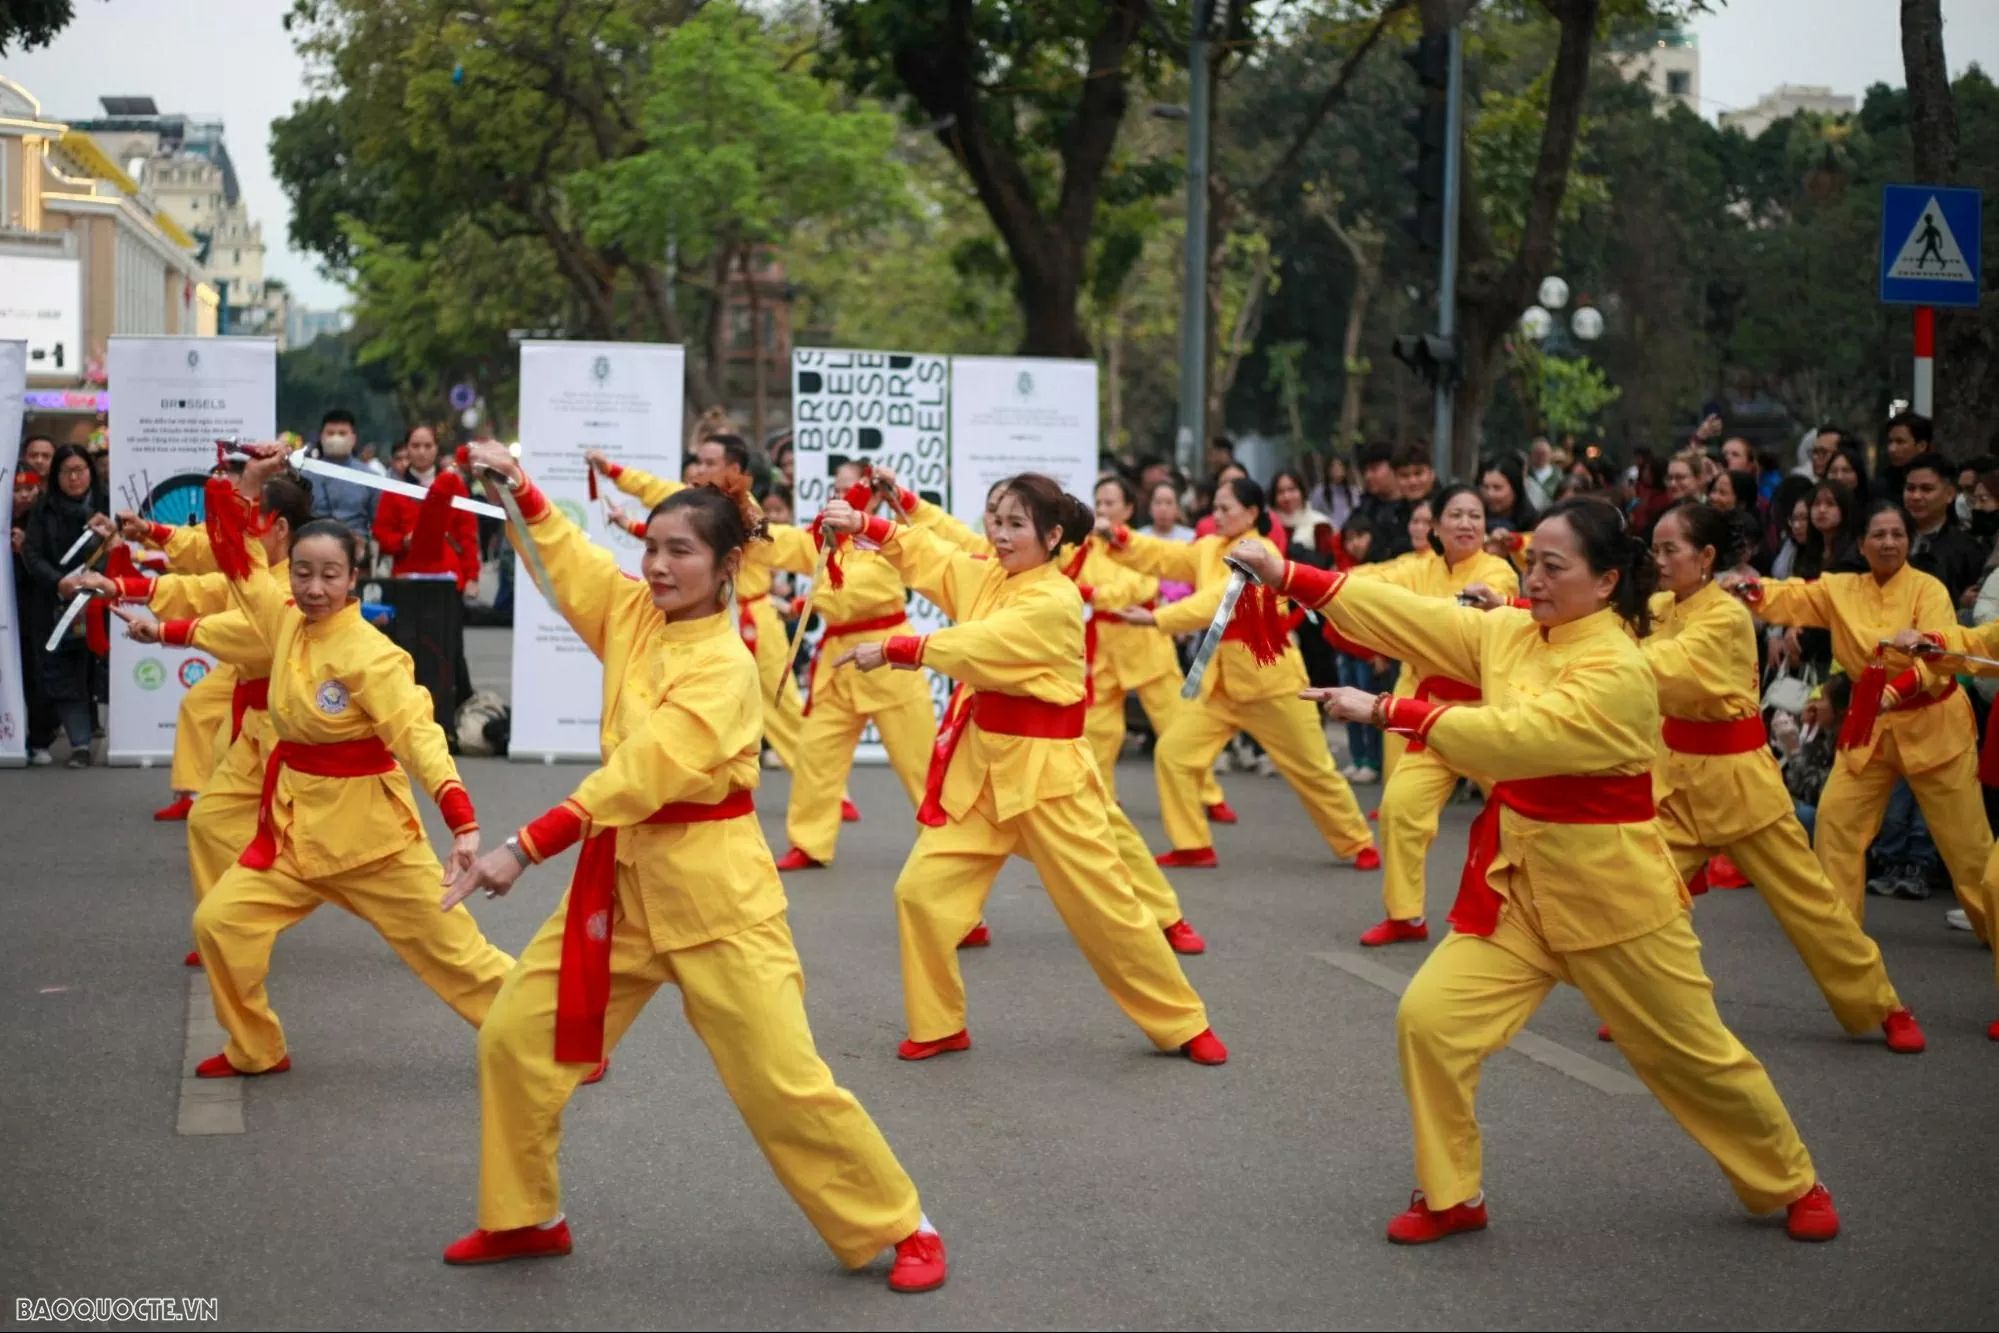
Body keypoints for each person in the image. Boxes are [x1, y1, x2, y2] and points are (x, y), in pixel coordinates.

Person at [1239, 498, 1839, 1246]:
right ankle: (1452, 1192)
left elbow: (1517, 739)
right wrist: (1289, 573)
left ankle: (1790, 1177)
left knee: (1693, 1055)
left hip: (1615, 896)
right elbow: (1410, 616)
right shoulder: (1513, 631)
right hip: (1519, 886)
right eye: (1532, 563)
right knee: (1429, 1020)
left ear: (1605, 579)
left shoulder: (1619, 666)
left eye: (1553, 567)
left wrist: (1389, 709)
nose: (1535, 578)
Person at [433, 449, 947, 1290]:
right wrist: (514, 483)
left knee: (780, 1080)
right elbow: (569, 560)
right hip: (622, 887)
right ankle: (526, 1215)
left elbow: (643, 773)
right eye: (654, 546)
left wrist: (521, 847)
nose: (660, 565)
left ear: (727, 567)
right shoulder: (635, 613)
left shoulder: (725, 666)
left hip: (717, 897)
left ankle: (902, 1222)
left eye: (682, 551)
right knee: (515, 1038)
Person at [123, 450, 515, 1078]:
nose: (313, 587)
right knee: (219, 924)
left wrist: (462, 821)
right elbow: (235, 562)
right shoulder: (285, 623)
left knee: (458, 955)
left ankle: (559, 1036)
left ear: (354, 578)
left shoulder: (373, 655)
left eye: (329, 575)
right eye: (302, 573)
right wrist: (244, 487)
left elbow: (419, 734)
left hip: (374, 843)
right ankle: (255, 1047)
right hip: (292, 833)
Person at [816, 476, 1227, 1065]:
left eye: (1015, 525)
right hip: (982, 771)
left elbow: (984, 644)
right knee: (920, 895)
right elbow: (936, 557)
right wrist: (869, 528)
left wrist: (898, 649)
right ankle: (938, 1023)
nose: (1000, 535)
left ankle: (1182, 1021)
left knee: (1107, 910)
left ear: (1052, 535)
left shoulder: (1054, 598)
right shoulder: (987, 575)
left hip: (1049, 779)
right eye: (997, 521)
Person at [1643, 500, 1923, 1052]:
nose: (1659, 559)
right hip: (1676, 781)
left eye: (1669, 549)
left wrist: (1597, 661)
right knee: (1644, 896)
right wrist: (1511, 605)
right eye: (1654, 549)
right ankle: (1655, 1003)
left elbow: (1656, 665)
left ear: (1705, 557)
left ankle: (1883, 1003)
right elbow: (1596, 621)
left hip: (1741, 783)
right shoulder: (1657, 605)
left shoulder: (1723, 615)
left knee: (1808, 902)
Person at [1728, 501, 1992, 928]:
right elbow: (1793, 595)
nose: (1889, 543)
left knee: (1967, 844)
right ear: (1862, 544)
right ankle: (1840, 933)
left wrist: (1896, 689)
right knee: (1836, 825)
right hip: (1869, 725)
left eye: (1897, 534)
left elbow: (1939, 656)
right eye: (1879, 535)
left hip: (1933, 724)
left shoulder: (1929, 590)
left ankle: (1991, 924)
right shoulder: (1840, 588)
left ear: (1909, 541)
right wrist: (1750, 591)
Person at [1100, 476, 1378, 871]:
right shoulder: (1210, 546)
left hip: (1272, 682)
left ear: (1251, 513)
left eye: (1226, 508)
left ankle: (1357, 842)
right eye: (1215, 506)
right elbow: (1164, 556)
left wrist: (1157, 617)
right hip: (1222, 684)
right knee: (1174, 753)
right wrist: (1119, 536)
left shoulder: (1259, 550)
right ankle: (1192, 844)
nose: (1217, 514)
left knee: (1313, 770)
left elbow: (1220, 600)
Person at [96, 478, 316, 963]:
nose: (241, 523)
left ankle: (252, 913)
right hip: (255, 713)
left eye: (252, 513)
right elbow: (206, 583)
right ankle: (227, 925)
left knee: (335, 853)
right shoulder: (257, 564)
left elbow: (249, 629)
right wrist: (123, 584)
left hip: (291, 726)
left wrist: (165, 631)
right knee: (211, 819)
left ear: (279, 527)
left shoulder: (293, 581)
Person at [1338, 486, 1517, 945]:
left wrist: (1488, 600)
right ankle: (1405, 915)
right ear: (1434, 526)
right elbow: (1369, 578)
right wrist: (1288, 577)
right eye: (1455, 515)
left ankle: (1541, 916)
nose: (1466, 523)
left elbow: (1497, 602)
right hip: (1431, 714)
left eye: (1475, 515)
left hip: (1487, 718)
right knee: (1401, 809)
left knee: (1527, 818)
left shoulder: (1497, 570)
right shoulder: (1417, 568)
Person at [588, 435, 817, 790]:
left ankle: (820, 787)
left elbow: (784, 544)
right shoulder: (709, 504)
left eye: (711, 463)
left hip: (753, 618)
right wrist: (615, 477)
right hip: (724, 612)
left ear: (735, 469)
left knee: (781, 705)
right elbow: (668, 508)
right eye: (699, 461)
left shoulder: (742, 511)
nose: (700, 468)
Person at [763, 460, 935, 871]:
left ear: (875, 493)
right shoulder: (826, 539)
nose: (843, 496)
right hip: (838, 660)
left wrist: (808, 602)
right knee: (815, 752)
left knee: (921, 763)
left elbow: (862, 591)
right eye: (837, 490)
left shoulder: (895, 536)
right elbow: (829, 587)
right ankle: (809, 841)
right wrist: (800, 604)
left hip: (889, 658)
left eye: (851, 488)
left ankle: (945, 847)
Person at [1083, 473, 1233, 821]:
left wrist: (1095, 595)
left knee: (1176, 724)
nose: (1103, 509)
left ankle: (1208, 794)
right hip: (1104, 645)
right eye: (1099, 503)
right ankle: (1103, 796)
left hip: (1145, 642)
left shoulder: (1138, 546)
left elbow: (1141, 587)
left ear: (1128, 508)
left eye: (1110, 503)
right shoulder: (1085, 547)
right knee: (1099, 730)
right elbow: (1070, 576)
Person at [23, 445, 104, 767]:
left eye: (80, 469)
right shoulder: (44, 510)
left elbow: (125, 552)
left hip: (100, 602)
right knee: (61, 671)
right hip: (57, 603)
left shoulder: (106, 505)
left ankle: (92, 734)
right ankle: (76, 743)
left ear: (90, 471)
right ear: (56, 476)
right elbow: (32, 554)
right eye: (66, 471)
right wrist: (59, 582)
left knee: (91, 671)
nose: (74, 477)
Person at [11, 467, 57, 764]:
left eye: (30, 489)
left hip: (32, 612)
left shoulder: (41, 518)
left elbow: (46, 563)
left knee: (35, 677)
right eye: (18, 490)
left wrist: (23, 549)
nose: (25, 495)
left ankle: (39, 741)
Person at [1902, 451, 1985, 607]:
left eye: (1926, 489)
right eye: (1910, 488)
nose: (1916, 496)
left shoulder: (1968, 549)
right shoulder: (1888, 538)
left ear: (1950, 494)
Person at [302, 409, 379, 549]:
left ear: (353, 439)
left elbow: (378, 523)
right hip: (313, 546)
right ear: (321, 437)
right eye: (331, 433)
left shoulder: (370, 478)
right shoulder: (304, 475)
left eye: (342, 433)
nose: (336, 438)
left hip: (356, 551)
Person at [1874, 412, 1929, 504]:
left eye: (1900, 442)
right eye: (1890, 442)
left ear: (1921, 446)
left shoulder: (1938, 481)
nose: (1891, 449)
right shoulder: (1881, 486)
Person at [1478, 457, 1538, 536]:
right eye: (1486, 487)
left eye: (1497, 488)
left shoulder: (1535, 525)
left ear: (1515, 489)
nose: (1490, 494)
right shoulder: (1476, 521)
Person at [1523, 437, 1558, 512]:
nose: (1540, 456)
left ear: (1550, 454)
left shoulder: (1559, 476)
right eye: (1537, 453)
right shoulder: (1524, 474)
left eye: (1544, 453)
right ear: (1531, 454)